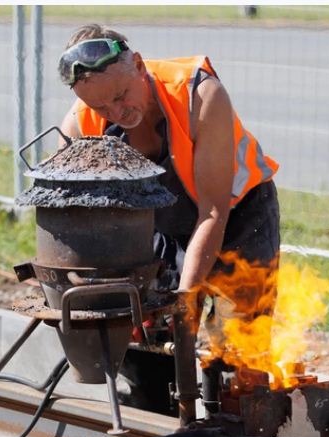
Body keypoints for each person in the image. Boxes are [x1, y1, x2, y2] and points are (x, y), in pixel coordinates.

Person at [57, 25, 281, 410]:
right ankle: (157, 423)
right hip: (157, 225)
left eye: (121, 96)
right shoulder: (79, 126)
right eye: (101, 109)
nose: (116, 113)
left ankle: (241, 435)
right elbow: (80, 223)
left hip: (238, 217)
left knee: (236, 352)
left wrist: (185, 297)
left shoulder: (198, 95)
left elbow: (213, 211)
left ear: (140, 66)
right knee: (148, 344)